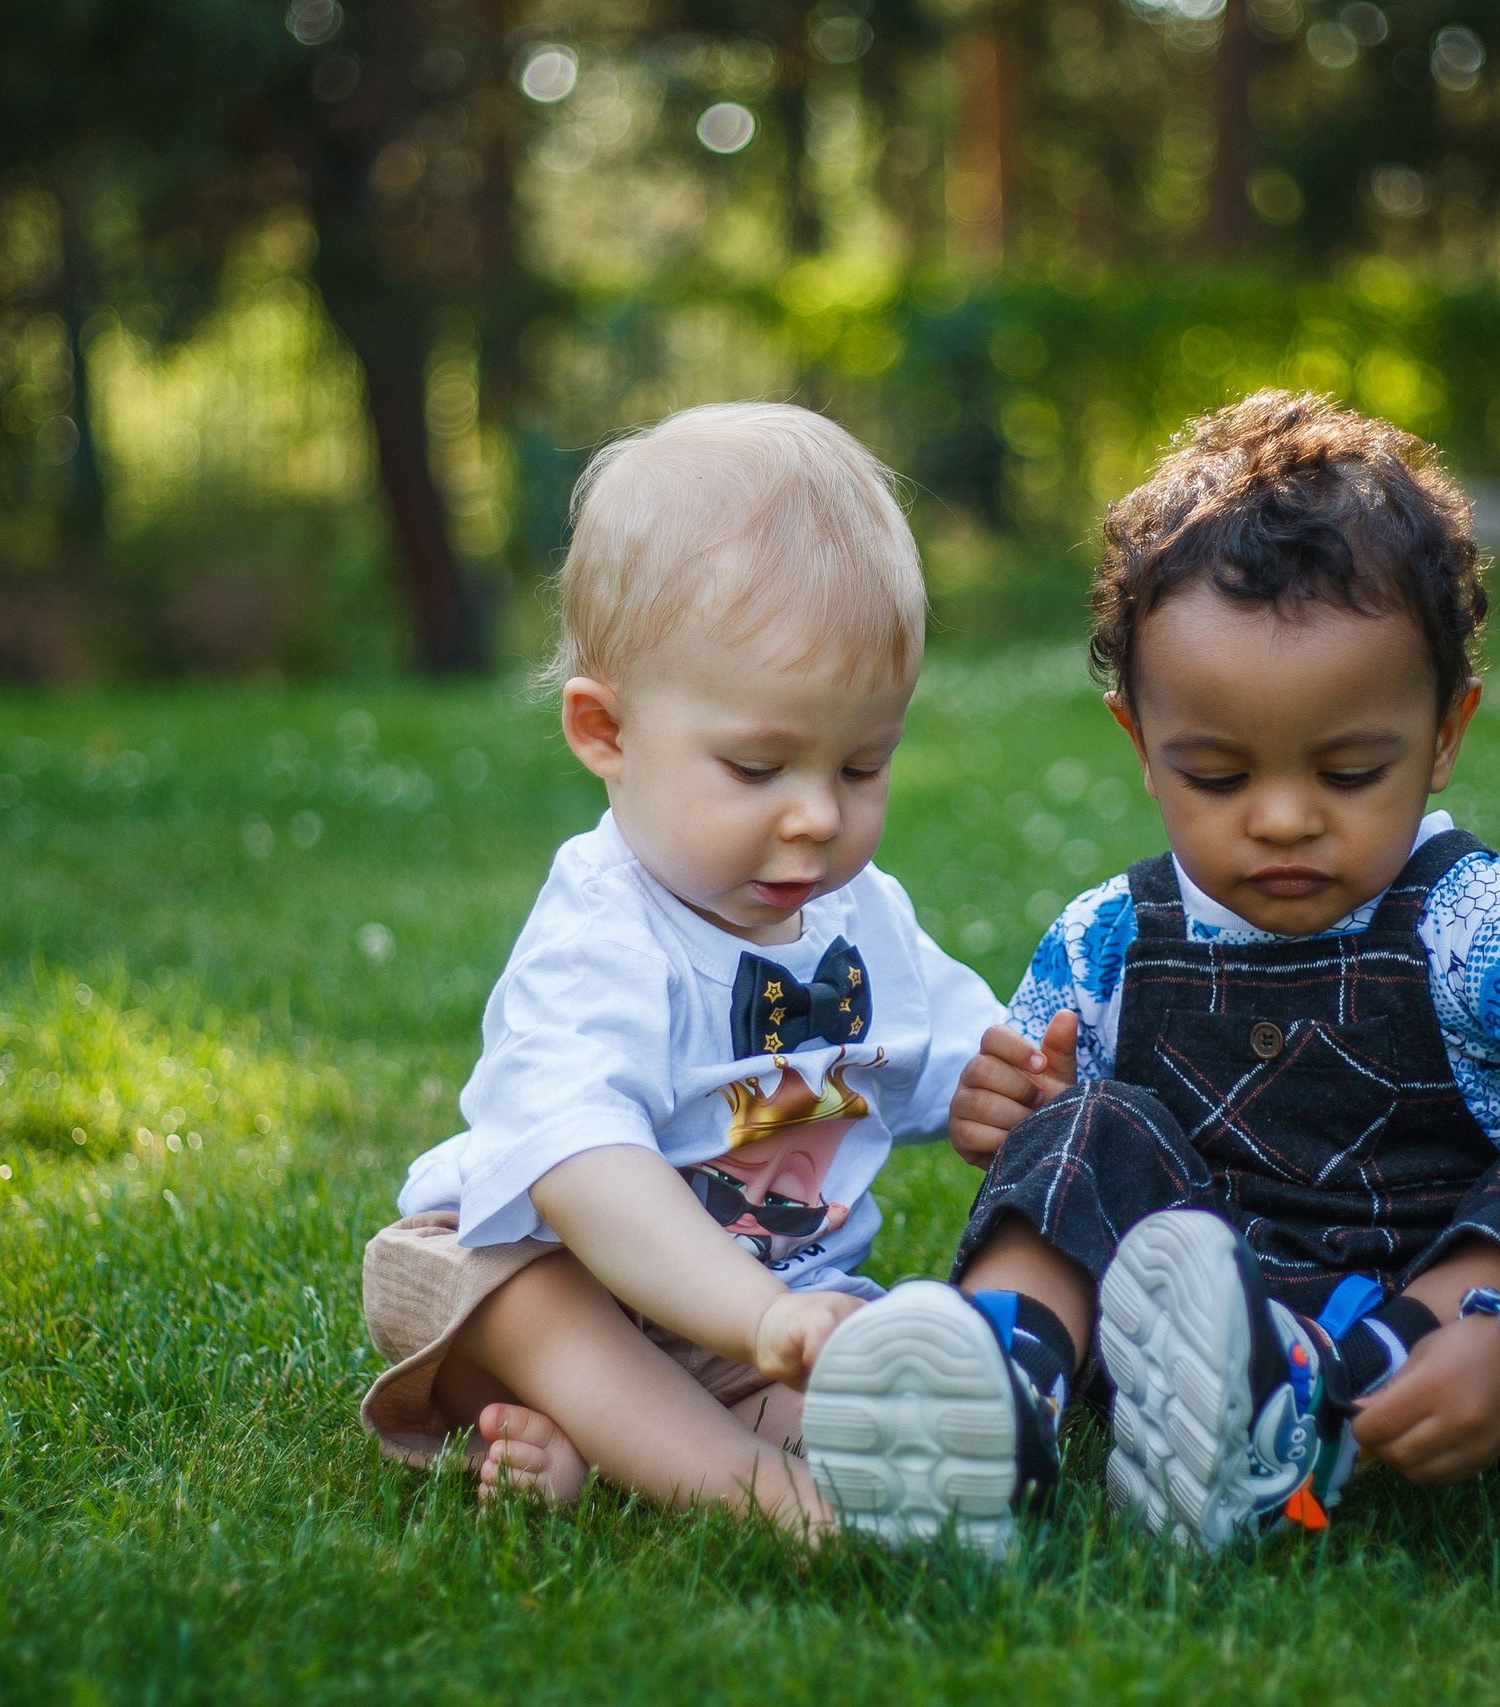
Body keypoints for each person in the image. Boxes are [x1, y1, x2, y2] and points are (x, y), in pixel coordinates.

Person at [913, 390, 1500, 1550]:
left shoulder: (1476, 923)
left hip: (1441, 1346)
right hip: (1174, 1349)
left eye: (1351, 771)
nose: (1284, 819)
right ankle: (990, 1398)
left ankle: (1325, 1393)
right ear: (1139, 747)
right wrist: (1008, 1109)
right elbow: (1046, 1151)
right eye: (1215, 775)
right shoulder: (1103, 941)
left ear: (1447, 733)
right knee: (1085, 1125)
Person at [354, 402, 1011, 1542]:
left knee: (875, 1361)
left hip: (758, 1324)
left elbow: (965, 1053)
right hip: (545, 1281)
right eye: (758, 766)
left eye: (863, 763)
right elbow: (581, 1170)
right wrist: (752, 1315)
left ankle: (619, 1452)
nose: (815, 815)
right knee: (526, 1297)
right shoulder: (603, 936)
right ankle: (763, 1499)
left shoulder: (862, 920)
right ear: (604, 732)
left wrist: (1005, 1089)